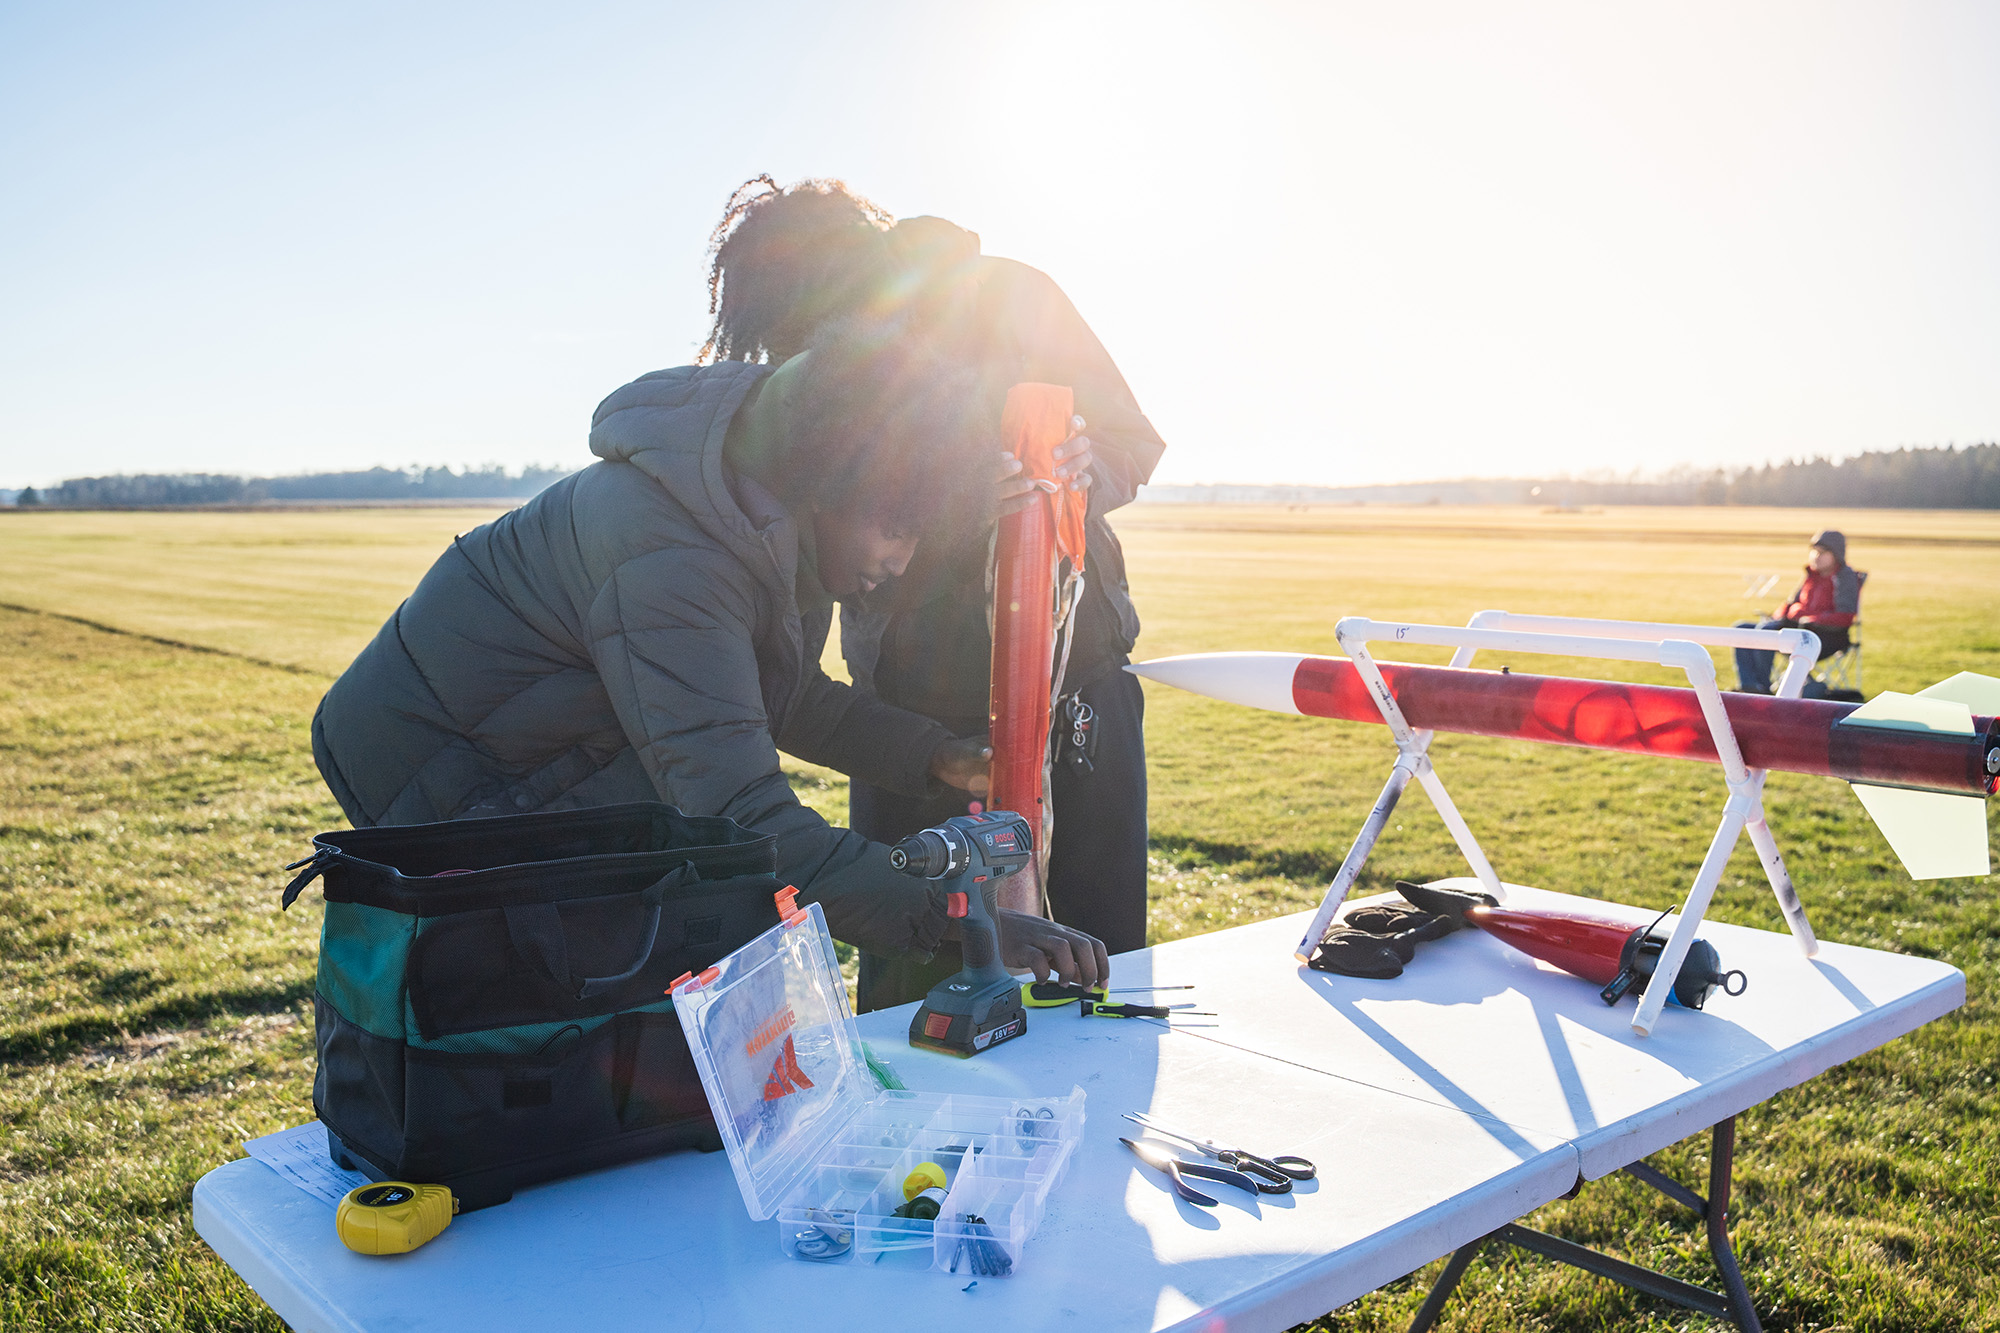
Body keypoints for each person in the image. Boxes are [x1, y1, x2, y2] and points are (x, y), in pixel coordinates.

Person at [310, 318, 1108, 989]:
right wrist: (963, 920)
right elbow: (738, 819)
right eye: (897, 528)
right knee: (540, 985)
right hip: (441, 756)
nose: (899, 563)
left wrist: (938, 758)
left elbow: (781, 694)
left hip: (534, 743)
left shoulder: (769, 515)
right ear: (832, 482)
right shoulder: (673, 554)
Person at [702, 177, 1165, 1011]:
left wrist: (1094, 470)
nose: (812, 349)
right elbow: (822, 516)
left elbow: (1132, 436)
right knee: (918, 968)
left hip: (1078, 694)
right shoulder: (817, 353)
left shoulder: (1017, 298)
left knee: (1097, 968)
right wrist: (950, 500)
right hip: (911, 721)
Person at [1733, 529, 1862, 694]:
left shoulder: (1844, 578)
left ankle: (1762, 690)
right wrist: (1778, 616)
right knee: (1742, 628)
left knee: (1767, 631)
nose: (1816, 556)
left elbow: (1844, 617)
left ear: (1836, 555)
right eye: (1814, 551)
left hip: (1824, 636)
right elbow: (1790, 604)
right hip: (1797, 628)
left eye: (1823, 552)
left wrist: (1808, 618)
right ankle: (1749, 685)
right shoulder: (1811, 575)